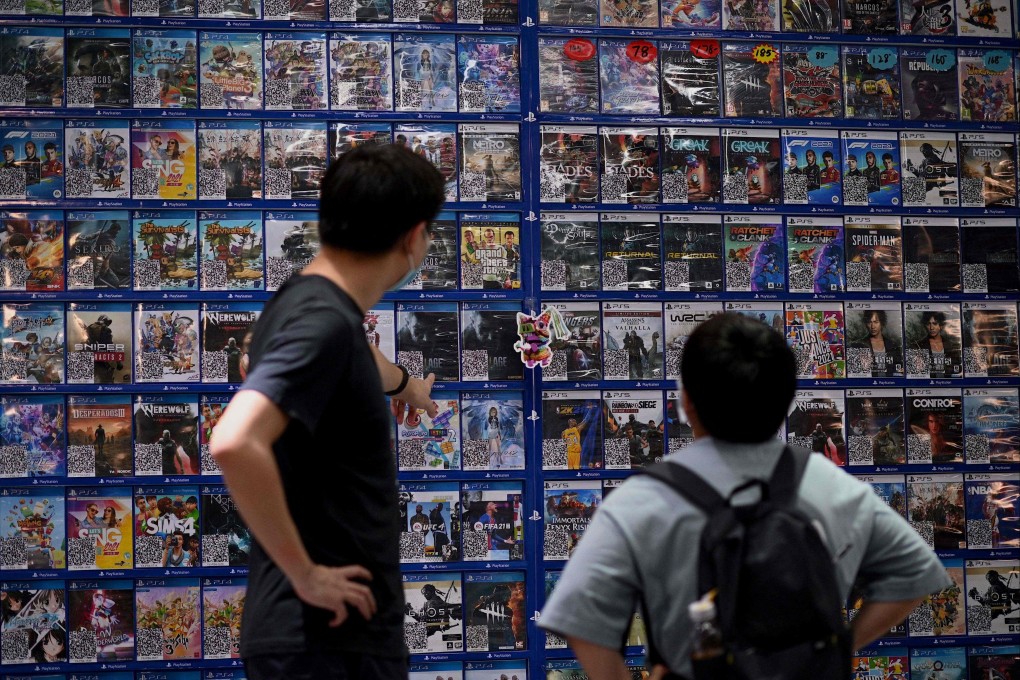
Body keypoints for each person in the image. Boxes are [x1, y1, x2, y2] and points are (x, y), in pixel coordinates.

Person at [540, 313, 951, 679]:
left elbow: (580, 621)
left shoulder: (641, 500)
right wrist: (838, 652)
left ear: (687, 402)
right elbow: (916, 575)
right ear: (786, 399)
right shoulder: (834, 487)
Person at [209, 143, 444, 680]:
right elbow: (234, 439)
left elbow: (358, 361)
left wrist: (407, 387)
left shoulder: (315, 307)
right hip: (325, 639)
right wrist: (307, 574)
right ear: (413, 236)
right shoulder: (324, 322)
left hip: (327, 638)